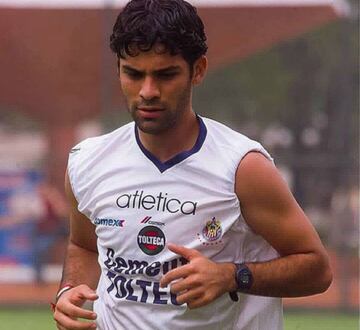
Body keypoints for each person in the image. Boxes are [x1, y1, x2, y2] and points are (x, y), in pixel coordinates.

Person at [53, 1, 332, 329]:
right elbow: (83, 246)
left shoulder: (242, 168)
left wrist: (231, 276)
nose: (148, 91)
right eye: (133, 73)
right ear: (118, 69)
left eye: (165, 74)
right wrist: (70, 290)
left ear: (197, 70)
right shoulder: (87, 161)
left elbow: (316, 269)